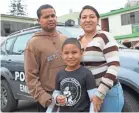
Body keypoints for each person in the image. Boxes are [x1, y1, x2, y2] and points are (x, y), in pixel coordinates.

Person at [78, 5, 124, 112]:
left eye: (92, 17)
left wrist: (100, 93)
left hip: (108, 93)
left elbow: (114, 66)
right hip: (89, 93)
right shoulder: (77, 40)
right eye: (84, 17)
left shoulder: (105, 37)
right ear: (80, 21)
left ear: (97, 20)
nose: (88, 20)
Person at [24, 4, 67, 112]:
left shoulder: (65, 39)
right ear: (39, 20)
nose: (51, 19)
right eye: (46, 17)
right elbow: (31, 77)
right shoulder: (33, 44)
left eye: (53, 16)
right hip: (49, 99)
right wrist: (45, 98)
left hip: (70, 95)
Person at [46, 38, 97, 112]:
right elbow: (56, 92)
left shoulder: (87, 74)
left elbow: (93, 99)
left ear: (81, 53)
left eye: (74, 52)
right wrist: (58, 98)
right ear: (62, 55)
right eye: (66, 53)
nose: (70, 56)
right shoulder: (59, 74)